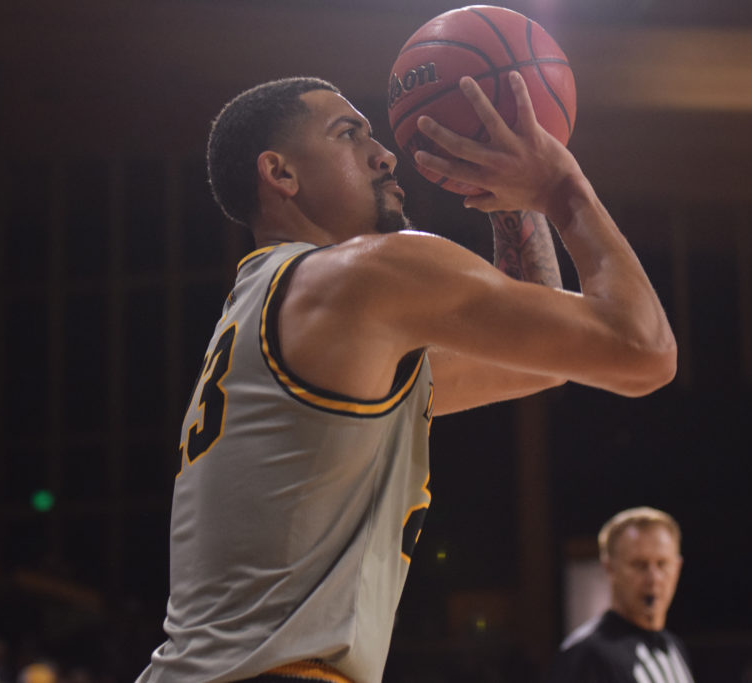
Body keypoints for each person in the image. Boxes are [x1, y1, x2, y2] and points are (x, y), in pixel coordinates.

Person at [137, 71, 677, 683]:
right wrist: (559, 187)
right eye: (348, 133)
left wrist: (511, 201)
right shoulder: (364, 276)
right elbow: (643, 350)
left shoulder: (285, 310)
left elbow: (542, 364)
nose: (384, 153)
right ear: (280, 174)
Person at [547, 507, 694, 683]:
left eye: (662, 564)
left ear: (677, 567)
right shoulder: (587, 654)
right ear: (610, 568)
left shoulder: (672, 646)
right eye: (639, 565)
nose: (653, 579)